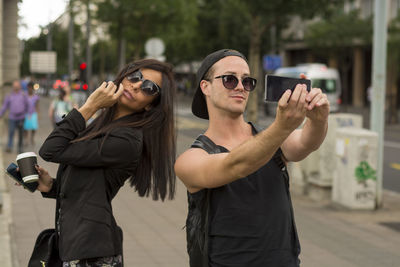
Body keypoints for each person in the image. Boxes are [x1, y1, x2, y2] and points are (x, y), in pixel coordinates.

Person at [174, 49, 330, 266]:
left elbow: (306, 143)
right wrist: (281, 126)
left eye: (247, 81)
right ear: (205, 86)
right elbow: (235, 165)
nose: (240, 86)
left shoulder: (273, 139)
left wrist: (319, 119)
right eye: (229, 79)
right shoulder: (191, 159)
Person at [35, 59, 176, 266]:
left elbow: (51, 149)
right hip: (80, 246)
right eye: (135, 76)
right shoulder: (105, 124)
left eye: (148, 88)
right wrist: (51, 186)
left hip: (92, 255)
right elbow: (91, 189)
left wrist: (90, 105)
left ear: (150, 105)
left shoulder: (126, 140)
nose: (136, 85)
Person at [0, 80, 29, 153]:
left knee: (20, 134)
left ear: (20, 86)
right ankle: (9, 146)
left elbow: (27, 105)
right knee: (11, 132)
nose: (16, 87)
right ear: (13, 87)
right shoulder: (9, 95)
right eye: (14, 86)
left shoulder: (23, 95)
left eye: (17, 86)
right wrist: (0, 114)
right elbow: (4, 106)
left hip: (21, 118)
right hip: (12, 118)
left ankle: (20, 148)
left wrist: (28, 114)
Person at [23, 81, 40, 146]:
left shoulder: (36, 96)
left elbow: (37, 105)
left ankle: (32, 138)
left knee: (34, 127)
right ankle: (26, 140)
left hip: (33, 113)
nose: (29, 89)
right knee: (26, 128)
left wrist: (38, 113)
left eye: (31, 87)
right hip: (26, 113)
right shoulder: (25, 95)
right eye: (28, 87)